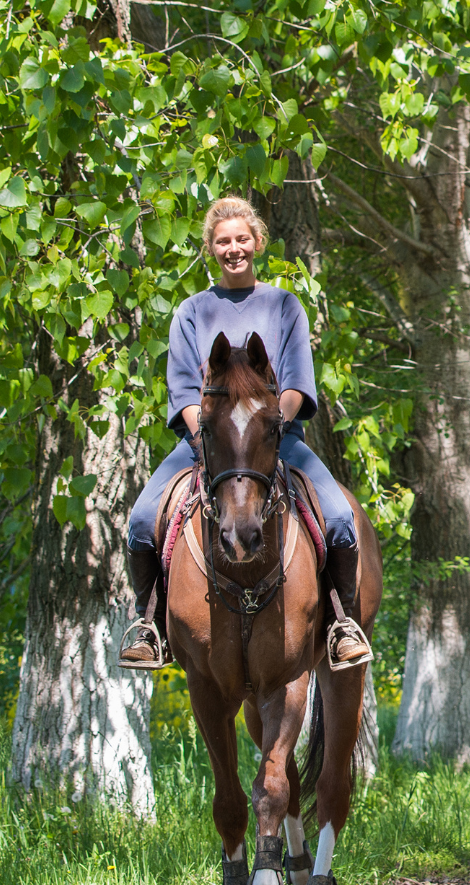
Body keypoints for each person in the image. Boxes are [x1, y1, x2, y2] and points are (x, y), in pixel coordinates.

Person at [117, 196, 373, 671]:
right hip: (206, 445)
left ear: (257, 242)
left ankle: (342, 624)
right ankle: (149, 625)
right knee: (140, 521)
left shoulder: (283, 305)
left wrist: (272, 430)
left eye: (241, 239)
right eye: (222, 241)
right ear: (210, 249)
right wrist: (203, 441)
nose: (233, 248)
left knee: (338, 517)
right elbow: (182, 390)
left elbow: (297, 383)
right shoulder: (191, 312)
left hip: (278, 440)